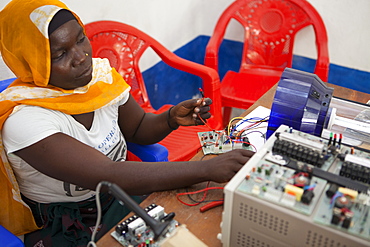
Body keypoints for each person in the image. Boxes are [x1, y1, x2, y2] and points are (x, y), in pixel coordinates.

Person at [0, 0, 254, 246]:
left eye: (80, 39)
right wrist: (207, 169)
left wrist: (169, 119)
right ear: (30, 62)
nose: (81, 57)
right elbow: (108, 175)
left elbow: (137, 127)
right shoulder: (25, 119)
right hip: (68, 222)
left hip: (119, 196)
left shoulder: (99, 80)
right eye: (60, 54)